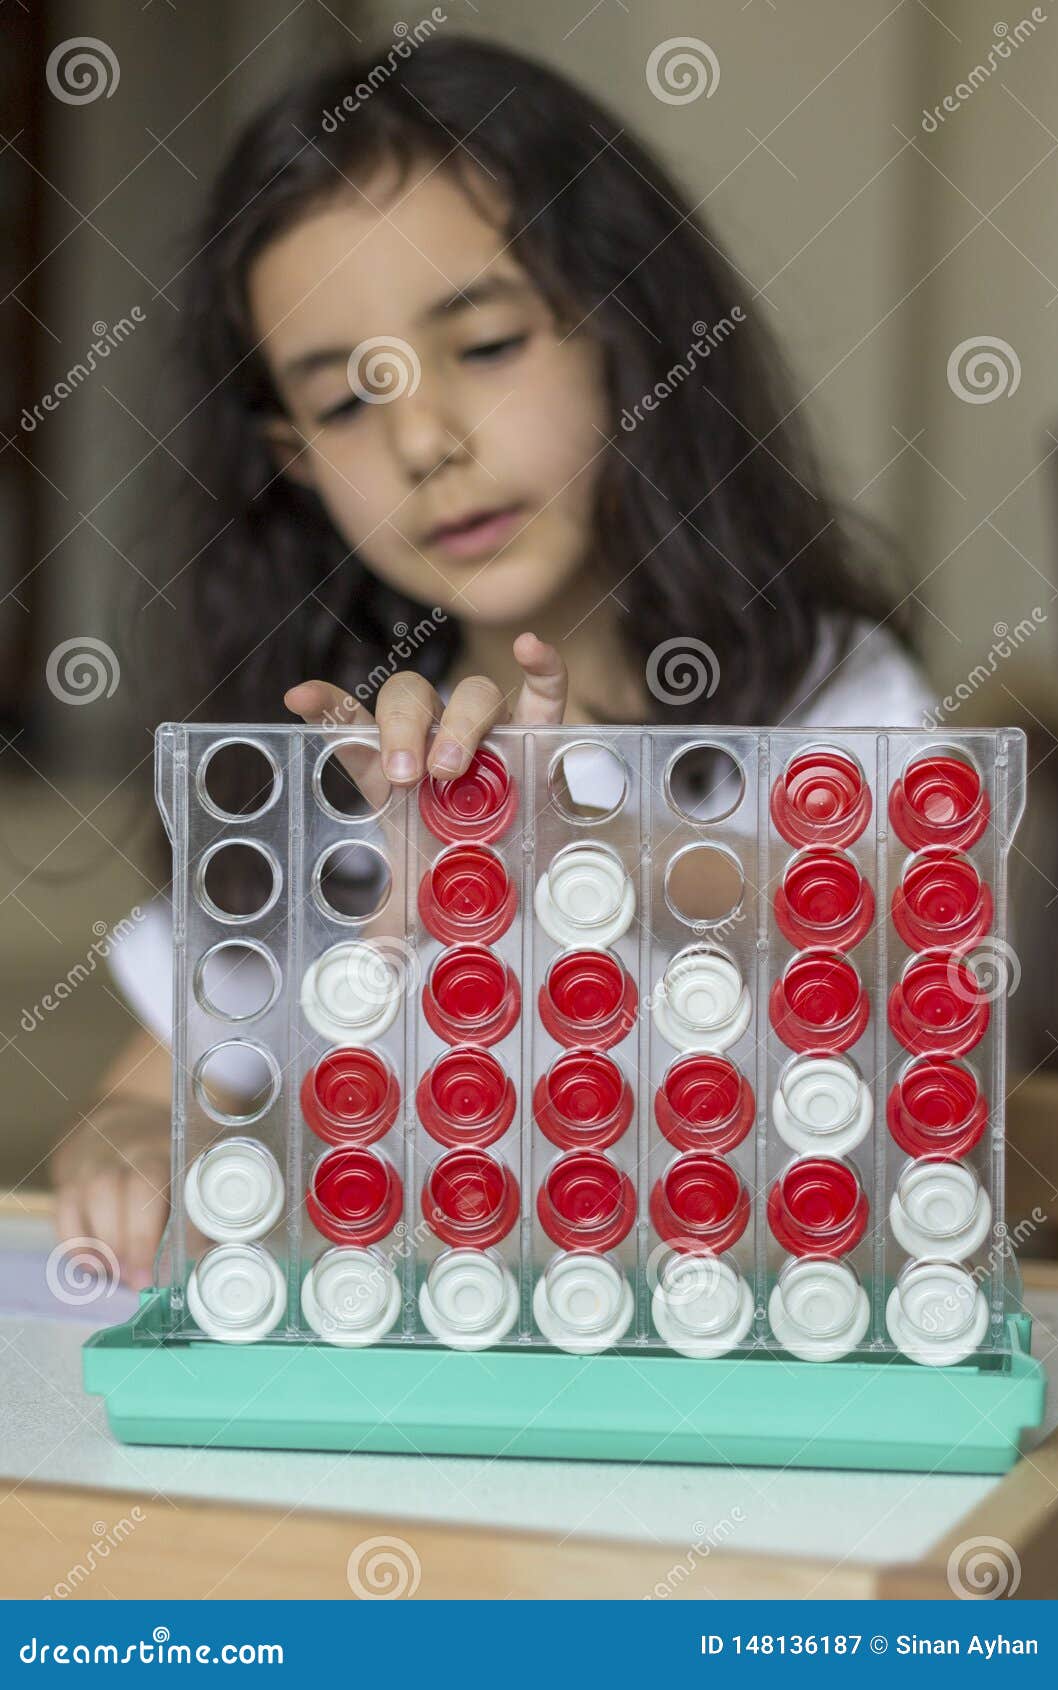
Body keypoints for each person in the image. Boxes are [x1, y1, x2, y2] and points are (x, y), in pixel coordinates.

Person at [49, 37, 933, 1288]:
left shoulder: (828, 695)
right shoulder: (339, 781)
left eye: (484, 344)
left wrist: (576, 841)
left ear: (627, 337)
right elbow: (143, 1098)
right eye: (347, 402)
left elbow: (900, 932)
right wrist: (134, 1145)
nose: (422, 437)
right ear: (291, 459)